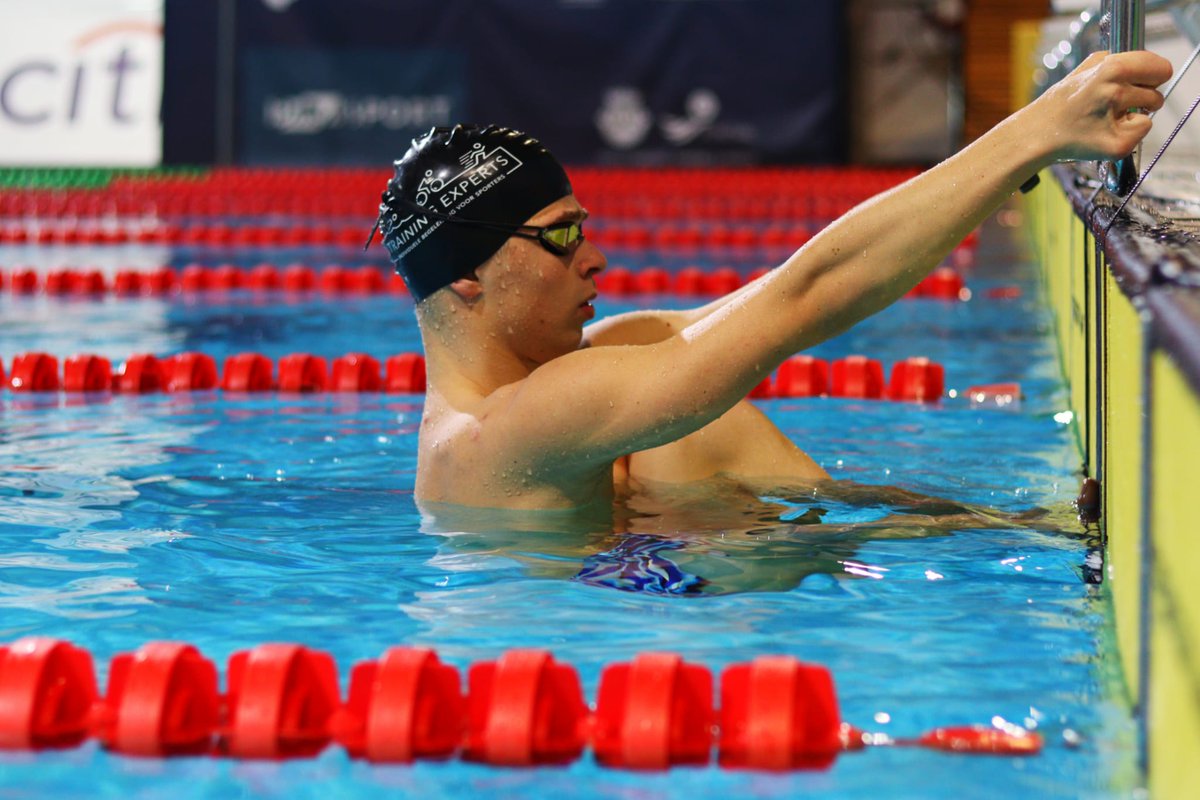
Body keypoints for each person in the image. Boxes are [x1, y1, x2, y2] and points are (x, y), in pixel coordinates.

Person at [372, 50, 1172, 514]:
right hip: (646, 674)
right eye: (561, 236)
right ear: (467, 279)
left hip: (651, 575)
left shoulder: (589, 375)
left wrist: (995, 179)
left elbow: (776, 296)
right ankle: (1014, 527)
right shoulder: (494, 438)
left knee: (684, 414)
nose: (595, 258)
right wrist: (1034, 131)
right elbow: (807, 297)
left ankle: (1000, 524)